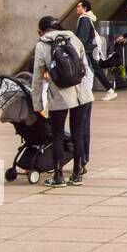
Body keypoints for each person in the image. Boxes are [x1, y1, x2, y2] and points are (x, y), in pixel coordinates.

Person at [31, 16, 93, 187]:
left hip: (59, 95)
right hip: (81, 94)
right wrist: (86, 89)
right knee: (77, 133)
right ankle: (77, 173)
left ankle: (58, 176)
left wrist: (37, 103)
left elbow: (37, 77)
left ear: (42, 31)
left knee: (57, 135)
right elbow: (85, 68)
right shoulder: (74, 38)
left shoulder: (42, 45)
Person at [74, 0, 117, 101]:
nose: (77, 8)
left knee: (89, 70)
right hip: (89, 48)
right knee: (95, 70)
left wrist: (79, 49)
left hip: (86, 49)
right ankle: (109, 90)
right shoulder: (86, 18)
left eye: (79, 6)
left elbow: (83, 37)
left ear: (85, 8)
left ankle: (89, 94)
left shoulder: (84, 19)